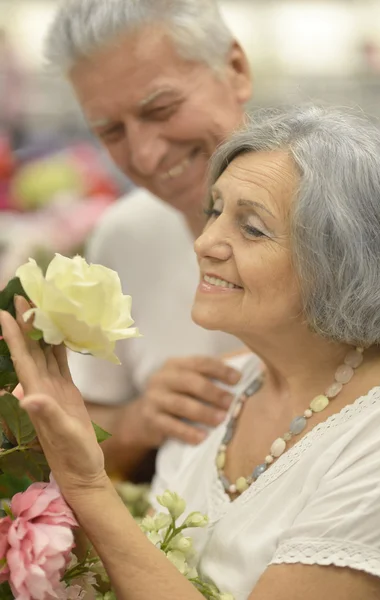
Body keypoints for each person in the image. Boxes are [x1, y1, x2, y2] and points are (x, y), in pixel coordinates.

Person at [3, 105, 380, 600]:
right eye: (214, 211)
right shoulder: (215, 389)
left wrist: (86, 483)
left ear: (344, 263)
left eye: (251, 228)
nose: (206, 242)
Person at [44, 0, 253, 476]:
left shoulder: (355, 214)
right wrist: (140, 419)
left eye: (162, 108)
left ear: (236, 70)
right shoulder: (125, 235)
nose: (145, 153)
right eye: (111, 131)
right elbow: (91, 426)